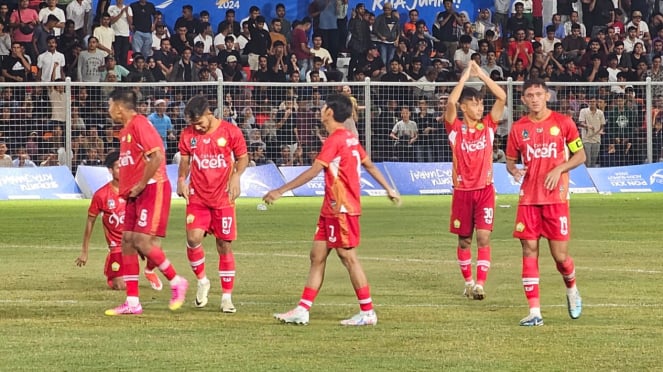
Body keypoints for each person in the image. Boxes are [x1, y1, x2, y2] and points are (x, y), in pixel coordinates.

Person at [264, 94, 401, 326]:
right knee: (317, 256)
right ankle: (303, 309)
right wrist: (389, 188)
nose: (321, 109)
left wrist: (280, 190)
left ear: (329, 112)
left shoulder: (336, 140)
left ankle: (368, 312)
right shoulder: (350, 138)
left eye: (324, 106)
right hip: (331, 208)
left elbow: (314, 170)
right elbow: (368, 164)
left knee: (348, 257)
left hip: (342, 208)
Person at [505, 78, 586, 326]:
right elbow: (509, 160)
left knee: (560, 257)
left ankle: (572, 289)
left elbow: (580, 155)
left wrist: (559, 168)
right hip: (528, 198)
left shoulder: (564, 123)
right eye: (529, 95)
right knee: (529, 249)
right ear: (523, 99)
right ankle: (535, 312)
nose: (535, 98)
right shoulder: (518, 128)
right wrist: (514, 170)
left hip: (555, 199)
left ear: (547, 96)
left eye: (539, 94)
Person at [104, 89, 188, 316]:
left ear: (119, 106)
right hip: (134, 193)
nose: (109, 110)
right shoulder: (125, 131)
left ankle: (176, 280)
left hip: (152, 187)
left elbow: (158, 156)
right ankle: (132, 302)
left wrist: (141, 185)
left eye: (110, 105)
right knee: (128, 242)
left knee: (141, 239)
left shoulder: (140, 124)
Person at [176, 95, 249, 313]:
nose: (197, 127)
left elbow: (243, 158)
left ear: (209, 113)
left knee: (224, 245)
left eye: (199, 122)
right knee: (193, 238)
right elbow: (185, 162)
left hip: (223, 198)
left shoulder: (230, 132)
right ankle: (202, 281)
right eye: (193, 124)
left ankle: (227, 297)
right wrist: (181, 180)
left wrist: (236, 175)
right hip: (198, 197)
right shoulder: (188, 135)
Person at [444, 60, 506, 300]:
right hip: (462, 191)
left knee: (483, 237)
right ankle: (468, 282)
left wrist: (481, 74)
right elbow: (450, 102)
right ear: (463, 107)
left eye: (481, 103)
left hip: (485, 190)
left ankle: (480, 284)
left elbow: (501, 97)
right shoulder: (455, 129)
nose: (479, 107)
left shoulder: (488, 126)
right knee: (464, 240)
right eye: (474, 103)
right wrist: (464, 77)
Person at [76, 150, 163, 291]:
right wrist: (85, 251)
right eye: (118, 167)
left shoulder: (137, 189)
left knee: (156, 244)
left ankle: (149, 270)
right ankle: (112, 264)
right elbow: (90, 221)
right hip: (118, 245)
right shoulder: (101, 195)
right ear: (110, 170)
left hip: (136, 239)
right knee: (120, 286)